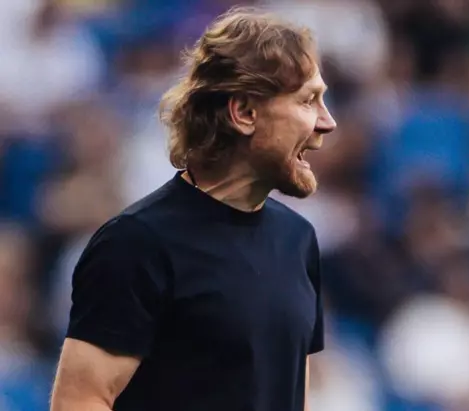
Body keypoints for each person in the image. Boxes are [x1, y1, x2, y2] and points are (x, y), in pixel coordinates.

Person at [50, 7, 336, 411]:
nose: (327, 122)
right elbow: (79, 400)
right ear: (244, 113)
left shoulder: (299, 240)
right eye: (308, 101)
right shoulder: (136, 244)